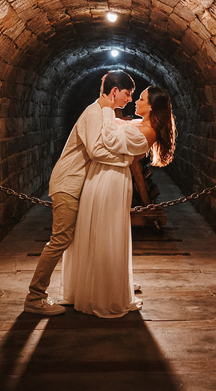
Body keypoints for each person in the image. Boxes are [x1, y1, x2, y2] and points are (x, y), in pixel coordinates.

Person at [23, 71, 143, 315]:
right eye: (128, 94)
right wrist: (126, 159)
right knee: (60, 240)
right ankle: (35, 297)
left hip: (77, 184)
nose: (130, 99)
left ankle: (101, 286)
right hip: (68, 183)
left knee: (75, 241)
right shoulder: (93, 113)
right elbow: (97, 150)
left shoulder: (103, 112)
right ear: (114, 91)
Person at [60, 86, 178, 318]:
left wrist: (106, 111)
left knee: (105, 233)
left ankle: (104, 295)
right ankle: (87, 289)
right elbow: (118, 131)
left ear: (151, 106)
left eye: (141, 98)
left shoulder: (148, 131)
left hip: (111, 181)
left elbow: (110, 140)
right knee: (91, 230)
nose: (136, 101)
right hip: (102, 176)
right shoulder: (140, 124)